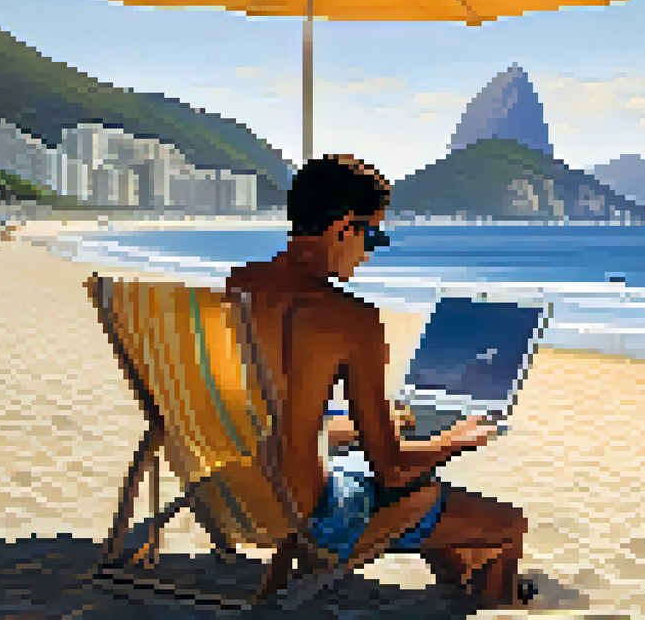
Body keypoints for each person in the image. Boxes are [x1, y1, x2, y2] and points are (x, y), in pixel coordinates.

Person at [225, 155, 535, 610]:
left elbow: (272, 409)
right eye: (373, 235)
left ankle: (463, 573)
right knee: (507, 524)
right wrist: (451, 439)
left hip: (241, 489)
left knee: (426, 492)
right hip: (318, 517)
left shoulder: (242, 285)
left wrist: (354, 426)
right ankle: (498, 601)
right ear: (344, 228)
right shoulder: (352, 320)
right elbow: (388, 466)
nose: (369, 252)